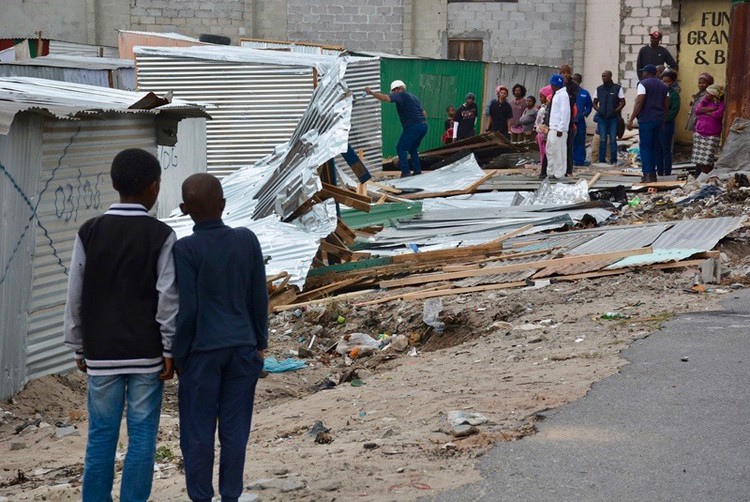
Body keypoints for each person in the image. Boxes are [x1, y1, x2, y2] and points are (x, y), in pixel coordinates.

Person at [63, 148, 178, 502]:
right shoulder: (161, 235)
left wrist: (78, 344)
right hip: (146, 356)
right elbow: (168, 299)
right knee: (142, 438)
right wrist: (169, 348)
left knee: (101, 436)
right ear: (154, 187)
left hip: (101, 355)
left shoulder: (90, 231)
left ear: (115, 184)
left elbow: (75, 294)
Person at [173, 173, 268, 502]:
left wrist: (180, 355)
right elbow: (259, 297)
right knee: (235, 430)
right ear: (224, 205)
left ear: (185, 209)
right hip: (242, 348)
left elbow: (187, 310)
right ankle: (231, 495)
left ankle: (201, 497)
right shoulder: (246, 240)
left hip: (202, 353)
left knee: (197, 433)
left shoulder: (185, 249)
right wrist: (260, 344)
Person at [365, 80, 428, 177]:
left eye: (394, 91)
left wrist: (371, 93)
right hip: (423, 126)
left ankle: (406, 173)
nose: (393, 93)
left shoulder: (401, 95)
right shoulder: (413, 97)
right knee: (412, 148)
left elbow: (385, 98)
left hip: (414, 126)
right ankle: (417, 171)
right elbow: (424, 113)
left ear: (399, 89)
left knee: (401, 148)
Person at [627, 64, 670, 183]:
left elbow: (639, 102)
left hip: (646, 119)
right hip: (659, 119)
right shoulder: (664, 86)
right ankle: (654, 174)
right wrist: (664, 120)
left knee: (645, 147)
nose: (642, 74)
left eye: (643, 72)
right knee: (655, 147)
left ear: (647, 73)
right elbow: (667, 104)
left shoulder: (643, 84)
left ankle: (647, 174)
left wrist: (631, 119)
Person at [592, 70, 626, 164]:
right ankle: (602, 160)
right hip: (602, 118)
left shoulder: (617, 88)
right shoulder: (599, 89)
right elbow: (594, 103)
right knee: (602, 139)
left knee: (613, 139)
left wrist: (615, 111)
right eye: (602, 76)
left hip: (613, 118)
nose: (603, 78)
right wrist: (599, 110)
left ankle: (613, 160)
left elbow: (623, 102)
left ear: (610, 76)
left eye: (605, 76)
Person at [691, 84, 725, 176]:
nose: (707, 94)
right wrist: (710, 109)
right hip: (700, 132)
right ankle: (702, 177)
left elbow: (718, 114)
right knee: (699, 159)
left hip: (712, 134)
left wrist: (705, 112)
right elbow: (697, 110)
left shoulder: (721, 103)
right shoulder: (705, 101)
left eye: (709, 92)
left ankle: (708, 177)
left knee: (707, 159)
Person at [656, 70, 681, 176]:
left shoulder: (674, 95)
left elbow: (674, 111)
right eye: (663, 81)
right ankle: (659, 172)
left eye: (668, 81)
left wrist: (663, 119)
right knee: (657, 149)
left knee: (666, 149)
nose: (665, 83)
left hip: (667, 125)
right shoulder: (657, 93)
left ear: (672, 82)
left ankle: (667, 172)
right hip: (656, 124)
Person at [546, 74, 570, 179]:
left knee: (559, 152)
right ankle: (551, 171)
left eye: (552, 84)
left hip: (558, 129)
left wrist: (561, 128)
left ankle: (559, 173)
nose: (551, 86)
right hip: (553, 127)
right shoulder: (557, 94)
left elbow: (565, 112)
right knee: (550, 151)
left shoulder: (563, 95)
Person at [559, 64, 580, 175]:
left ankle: (568, 169)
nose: (565, 75)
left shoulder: (574, 86)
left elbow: (572, 101)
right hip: (557, 120)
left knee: (568, 146)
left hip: (569, 120)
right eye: (563, 72)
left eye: (567, 72)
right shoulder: (558, 84)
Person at [571, 73, 593, 166]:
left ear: (580, 81)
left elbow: (589, 106)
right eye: (573, 80)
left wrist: (584, 113)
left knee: (580, 141)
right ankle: (569, 161)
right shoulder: (568, 92)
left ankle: (579, 161)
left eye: (577, 80)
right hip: (570, 122)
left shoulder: (585, 93)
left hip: (580, 122)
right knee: (570, 141)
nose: (575, 82)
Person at [536, 85, 553, 178]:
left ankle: (545, 169)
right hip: (541, 132)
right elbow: (538, 123)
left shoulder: (546, 109)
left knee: (546, 152)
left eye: (542, 96)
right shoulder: (543, 108)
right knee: (542, 152)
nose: (540, 98)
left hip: (546, 133)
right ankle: (543, 169)